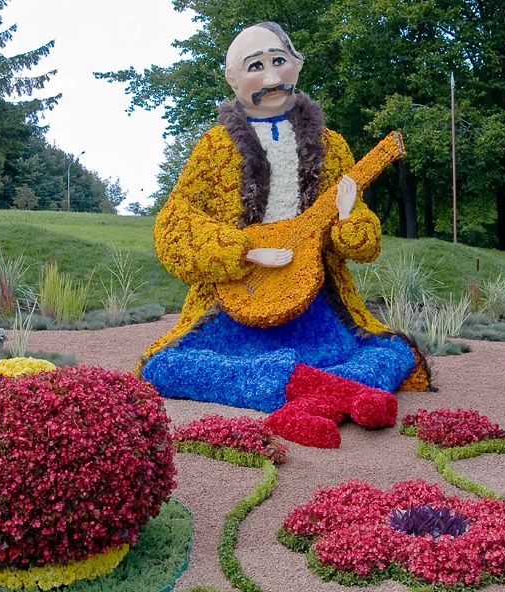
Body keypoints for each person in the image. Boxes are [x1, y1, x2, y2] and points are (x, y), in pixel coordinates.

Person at [137, 21, 430, 448]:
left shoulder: (333, 146)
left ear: (297, 64)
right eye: (255, 66)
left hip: (317, 304)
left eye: (279, 61)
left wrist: (347, 219)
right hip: (236, 303)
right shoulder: (214, 149)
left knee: (397, 351)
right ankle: (328, 389)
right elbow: (174, 226)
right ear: (232, 79)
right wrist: (245, 252)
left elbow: (364, 245)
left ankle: (301, 393)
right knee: (162, 366)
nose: (272, 78)